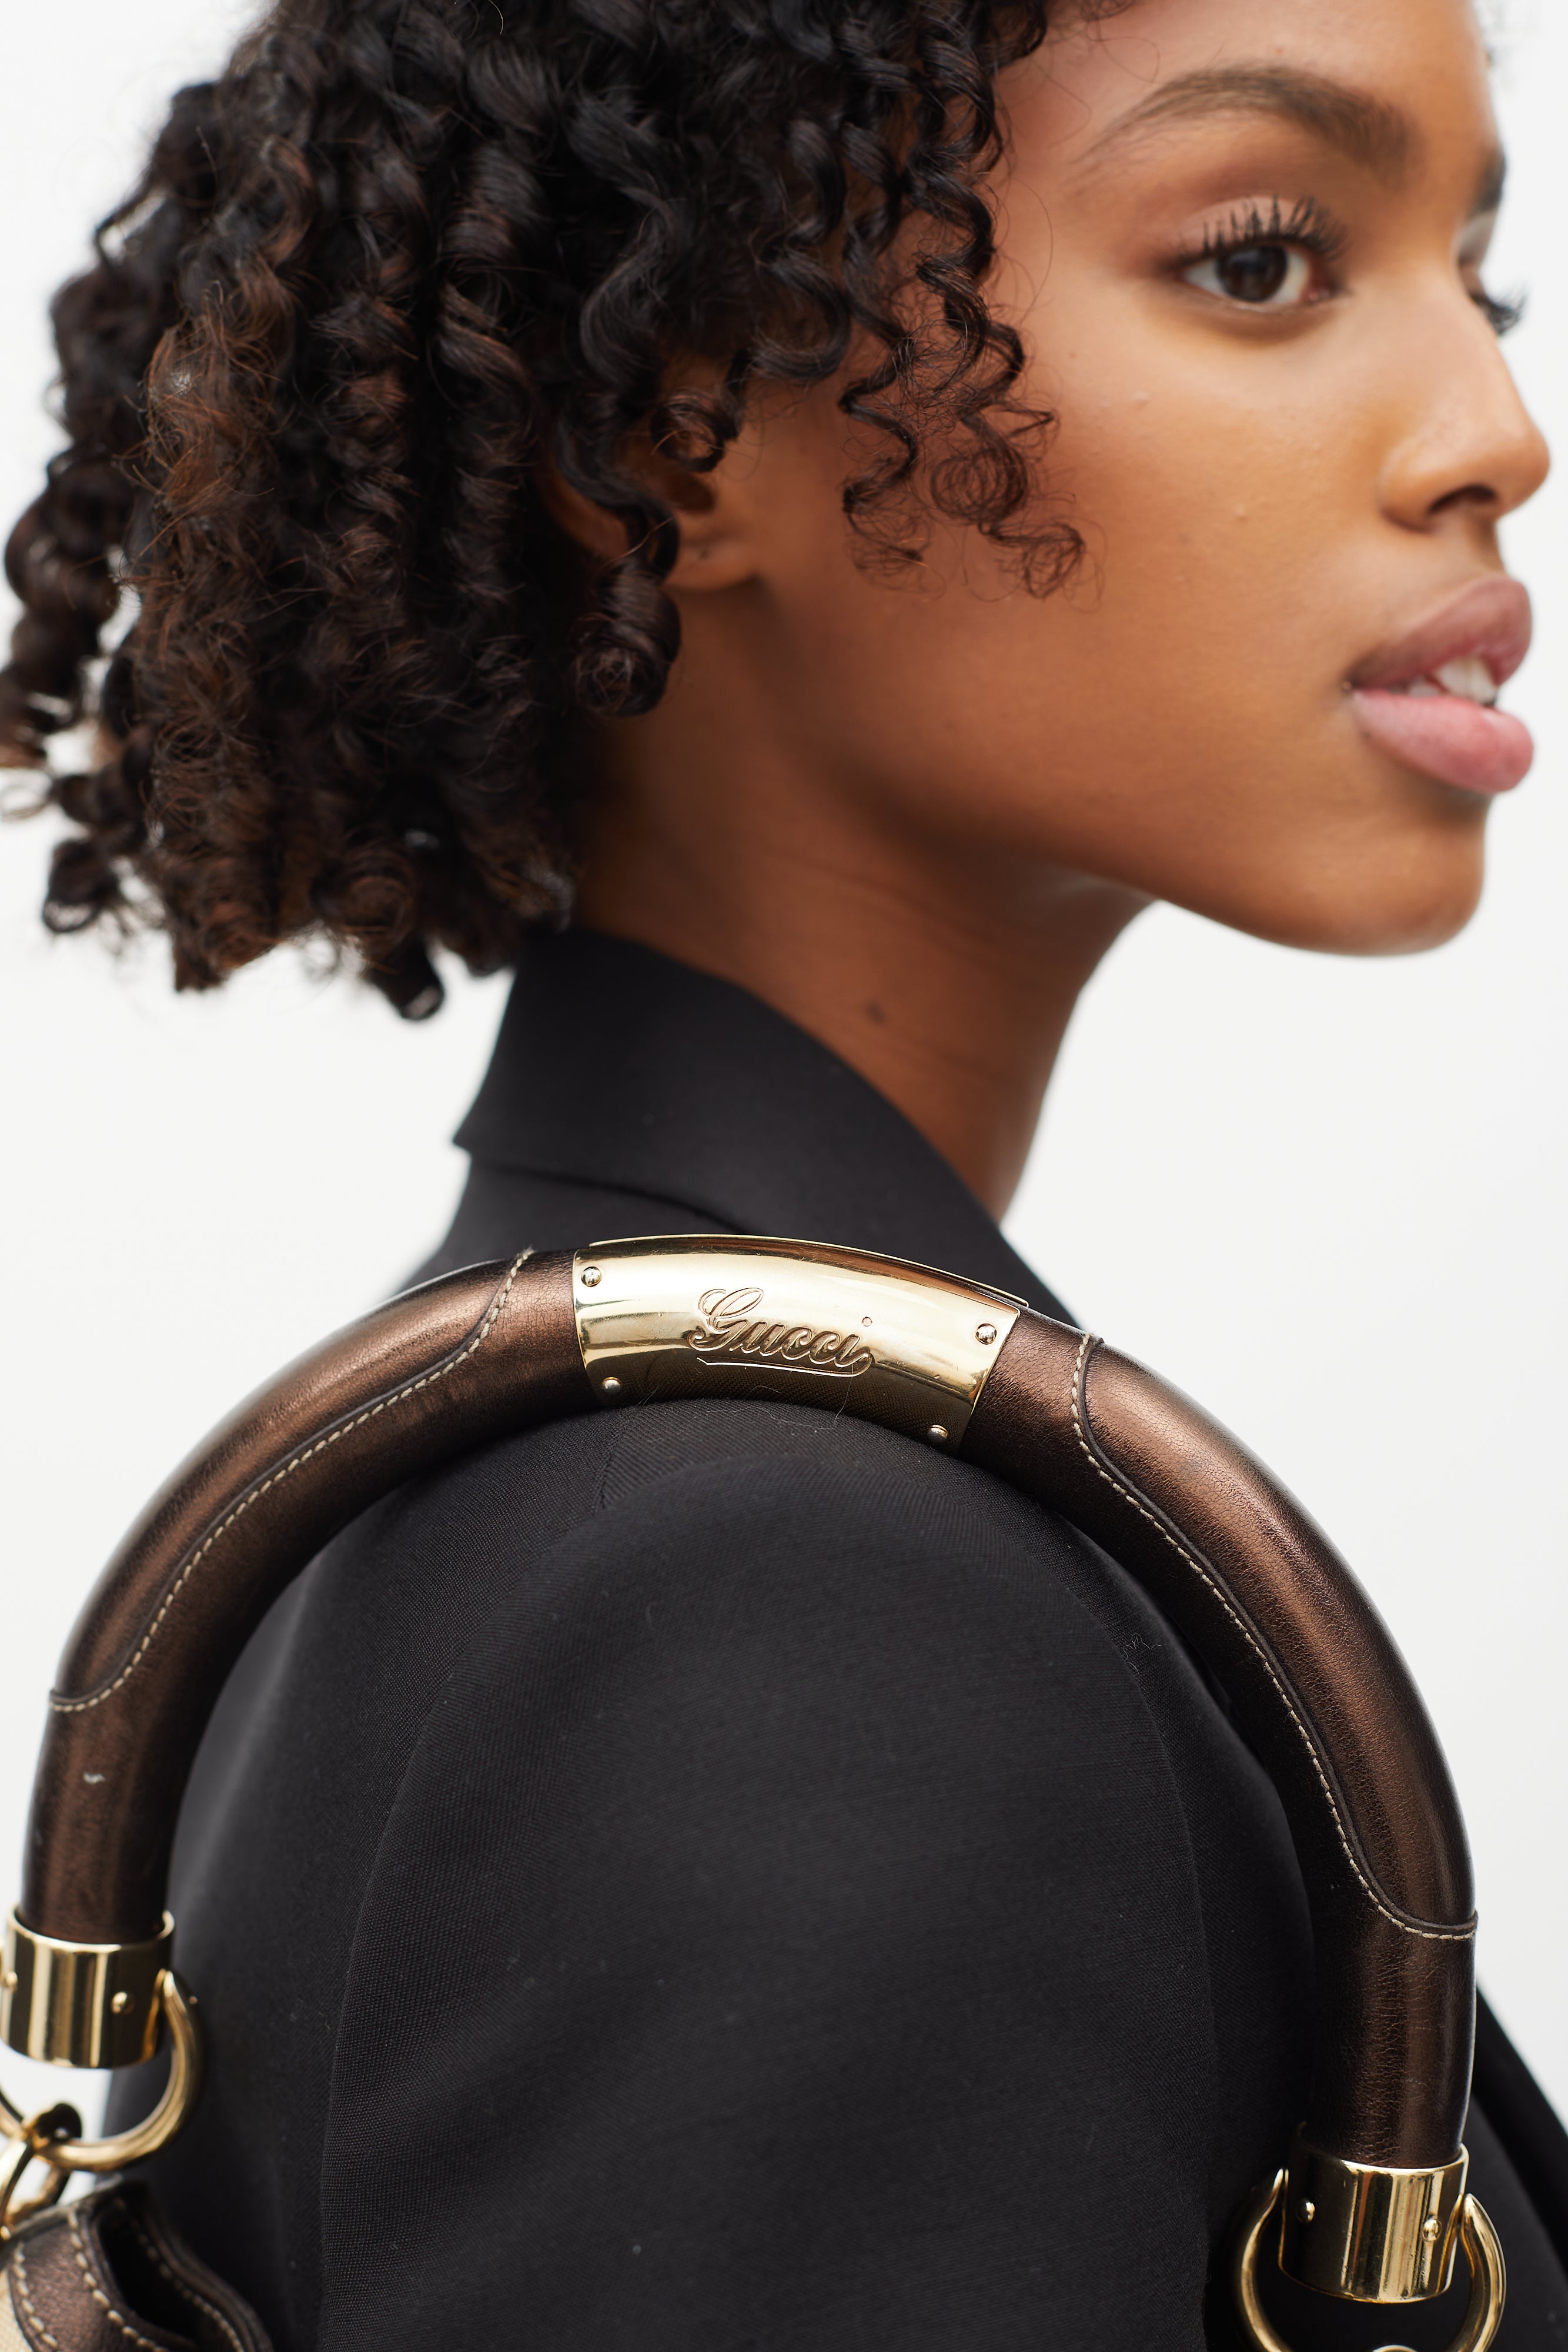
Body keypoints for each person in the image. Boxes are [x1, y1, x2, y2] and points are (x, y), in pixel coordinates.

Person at [3, 0, 1564, 2343]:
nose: (1494, 432)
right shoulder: (781, 1605)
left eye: (1475, 267)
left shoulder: (599, 1487)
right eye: (1258, 258)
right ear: (673, 434)